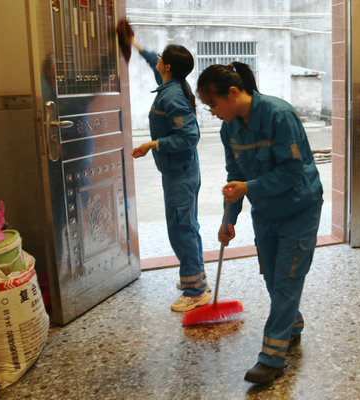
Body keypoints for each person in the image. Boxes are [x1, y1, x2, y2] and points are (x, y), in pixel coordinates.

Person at [197, 62, 323, 384]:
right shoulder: (229, 129)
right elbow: (235, 177)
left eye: (212, 104)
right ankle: (292, 324)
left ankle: (271, 359)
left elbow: (292, 171)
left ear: (233, 93)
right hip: (265, 210)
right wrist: (229, 219)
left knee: (287, 279)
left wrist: (248, 187)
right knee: (272, 276)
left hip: (299, 208)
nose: (211, 112)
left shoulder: (278, 115)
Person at [129, 37, 211, 311]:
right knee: (187, 225)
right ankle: (196, 277)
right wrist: (135, 44)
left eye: (162, 59)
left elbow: (189, 136)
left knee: (181, 228)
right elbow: (155, 60)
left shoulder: (172, 96)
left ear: (168, 67)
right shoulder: (172, 83)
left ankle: (196, 291)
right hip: (181, 170)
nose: (158, 60)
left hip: (181, 173)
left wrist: (153, 144)